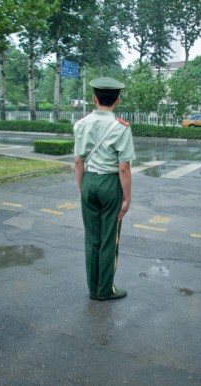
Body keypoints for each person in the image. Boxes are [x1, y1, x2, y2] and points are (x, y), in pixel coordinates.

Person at [73, 77, 136, 301]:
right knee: (109, 238)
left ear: (94, 98)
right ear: (117, 101)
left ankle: (93, 289)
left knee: (92, 239)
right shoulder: (120, 127)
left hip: (89, 181)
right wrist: (127, 198)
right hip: (111, 184)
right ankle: (105, 290)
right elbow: (124, 168)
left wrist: (83, 188)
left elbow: (78, 161)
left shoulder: (80, 124)